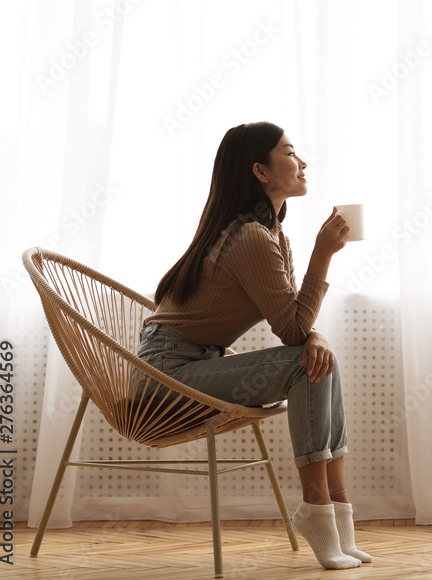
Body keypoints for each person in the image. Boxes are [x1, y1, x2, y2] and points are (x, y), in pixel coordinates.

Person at [136, 121, 370, 570]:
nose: (302, 163)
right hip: (164, 379)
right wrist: (323, 254)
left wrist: (315, 335)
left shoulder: (269, 235)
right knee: (308, 362)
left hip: (192, 364)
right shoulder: (250, 238)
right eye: (290, 152)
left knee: (320, 358)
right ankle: (318, 508)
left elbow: (298, 326)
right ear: (261, 172)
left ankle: (337, 517)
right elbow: (292, 330)